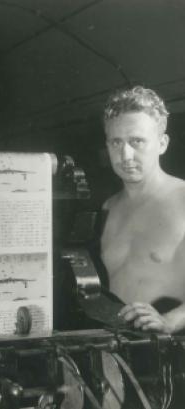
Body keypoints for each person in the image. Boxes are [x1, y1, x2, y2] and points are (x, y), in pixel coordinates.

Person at [101, 85, 185, 334]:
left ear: (162, 143)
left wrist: (171, 321)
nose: (125, 154)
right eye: (116, 142)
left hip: (172, 354)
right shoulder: (108, 207)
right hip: (117, 351)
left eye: (137, 141)